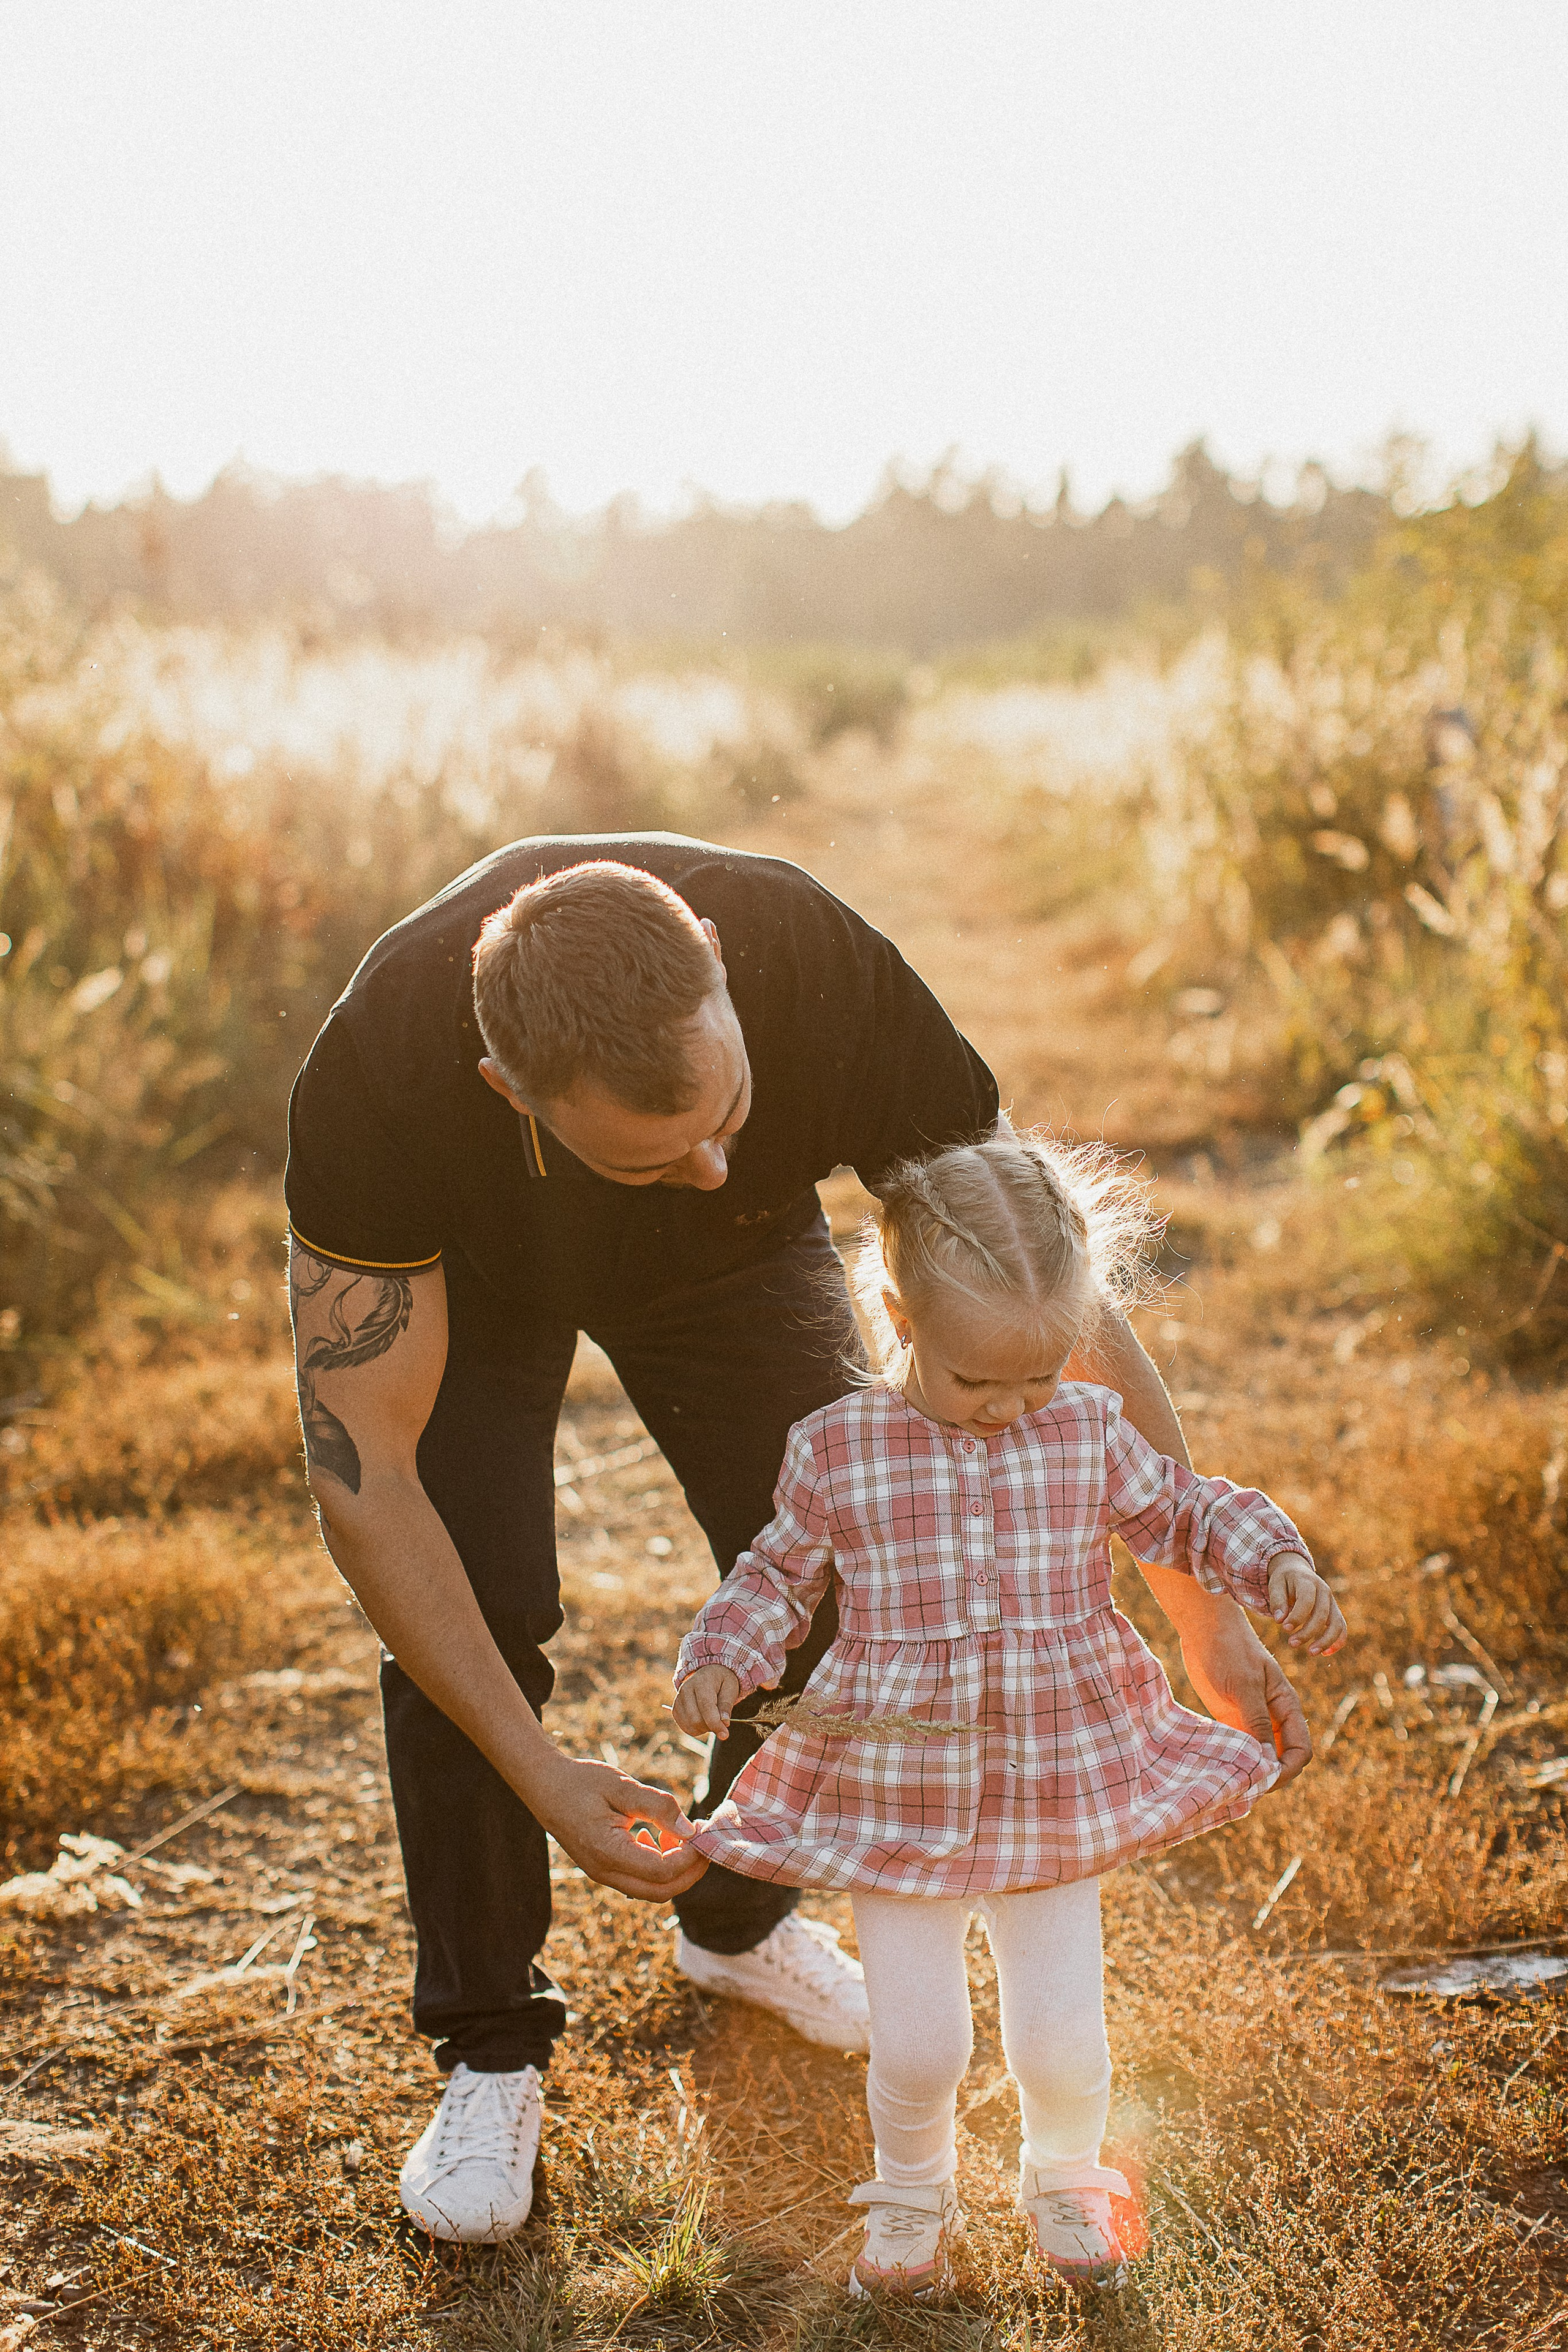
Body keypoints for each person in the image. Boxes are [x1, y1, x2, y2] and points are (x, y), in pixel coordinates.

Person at [285, 833, 1316, 2245]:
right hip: (472, 1277)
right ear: (507, 1094)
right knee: (486, 1593)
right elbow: (366, 1476)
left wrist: (1204, 1614)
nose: (713, 1161)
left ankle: (736, 1930)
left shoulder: (817, 968)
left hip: (730, 1272)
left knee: (859, 1561)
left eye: (731, 1109)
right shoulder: (380, 1080)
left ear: (718, 972)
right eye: (659, 1150)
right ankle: (489, 2049)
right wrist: (539, 1773)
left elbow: (1036, 1293)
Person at [673, 1133, 1344, 2296]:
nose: (1007, 1408)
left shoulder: (1082, 1431)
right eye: (977, 1380)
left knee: (1063, 2037)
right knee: (924, 2041)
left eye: (1036, 1377)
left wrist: (1270, 1562)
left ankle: (1069, 2175)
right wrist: (724, 1658)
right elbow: (777, 1576)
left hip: (1057, 1765)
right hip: (899, 1773)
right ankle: (910, 2193)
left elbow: (1181, 1514)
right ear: (899, 1315)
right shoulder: (840, 1447)